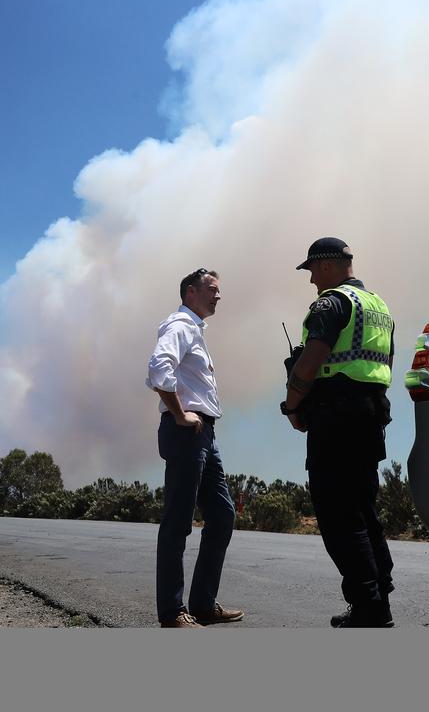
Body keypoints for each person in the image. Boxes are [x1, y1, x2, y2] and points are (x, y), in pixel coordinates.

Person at [282, 238, 396, 628]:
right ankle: (380, 591)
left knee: (337, 515)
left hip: (335, 418)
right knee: (364, 508)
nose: (311, 280)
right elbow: (386, 363)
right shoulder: (379, 306)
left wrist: (292, 404)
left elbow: (309, 364)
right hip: (369, 416)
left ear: (327, 265)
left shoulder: (330, 304)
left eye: (312, 270)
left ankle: (368, 606)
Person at [147, 267, 243, 628]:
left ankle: (202, 604)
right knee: (178, 522)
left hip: (205, 434)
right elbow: (159, 369)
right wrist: (180, 414)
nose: (218, 295)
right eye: (212, 289)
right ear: (190, 292)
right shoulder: (180, 325)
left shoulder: (195, 330)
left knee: (221, 516)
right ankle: (172, 613)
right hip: (187, 430)